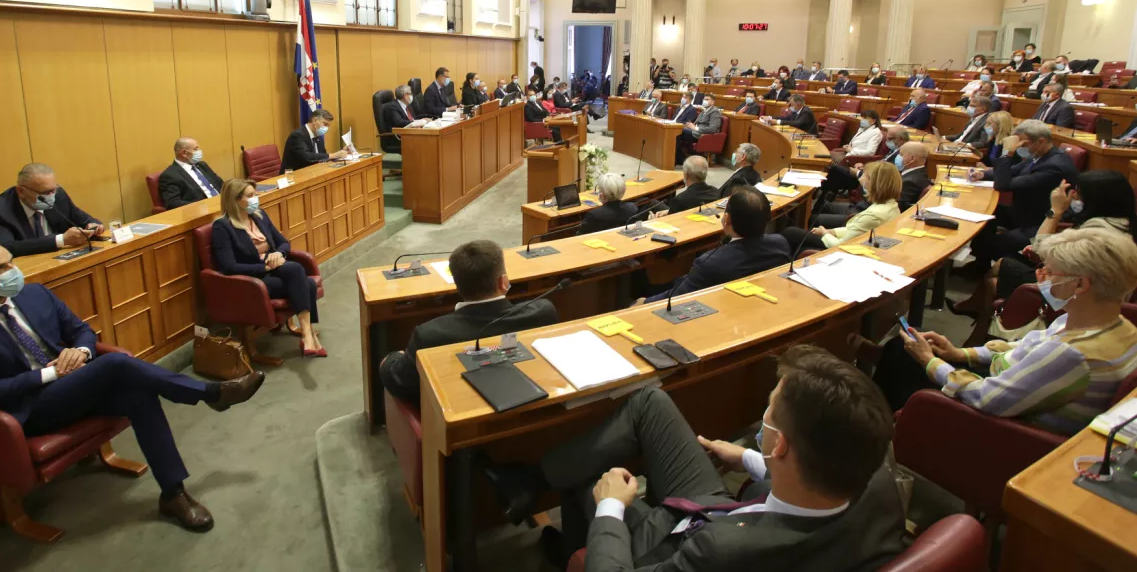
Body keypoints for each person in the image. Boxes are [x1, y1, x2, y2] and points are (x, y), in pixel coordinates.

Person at [0, 240, 266, 532]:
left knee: (139, 394)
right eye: (0, 269)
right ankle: (209, 394)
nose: (12, 272)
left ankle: (173, 494)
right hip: (30, 410)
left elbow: (82, 331)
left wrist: (81, 351)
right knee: (117, 363)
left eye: (10, 263)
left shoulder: (33, 294)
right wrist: (49, 375)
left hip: (74, 387)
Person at [485, 345, 902, 571]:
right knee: (650, 402)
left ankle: (577, 546)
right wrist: (750, 458)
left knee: (598, 476)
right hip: (728, 507)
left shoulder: (720, 553)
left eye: (770, 410)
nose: (764, 414)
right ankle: (531, 485)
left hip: (682, 537)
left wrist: (611, 508)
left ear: (781, 446)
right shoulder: (878, 484)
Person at [873, 229, 1137, 436]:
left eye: (1049, 271)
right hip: (1014, 384)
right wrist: (959, 353)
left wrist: (929, 361)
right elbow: (1022, 348)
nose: (1040, 276)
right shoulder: (1115, 325)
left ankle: (881, 428)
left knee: (901, 357)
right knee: (902, 348)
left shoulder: (1069, 355)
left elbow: (985, 397)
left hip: (999, 429)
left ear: (1079, 285)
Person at [951, 171, 1137, 338]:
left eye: (1078, 193)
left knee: (994, 281)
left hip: (1078, 292)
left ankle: (980, 333)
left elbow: (1041, 250)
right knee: (1001, 265)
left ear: (1096, 199)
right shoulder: (1120, 221)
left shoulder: (1101, 230)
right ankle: (978, 321)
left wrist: (1055, 211)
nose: (1073, 197)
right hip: (1078, 281)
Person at [380, 240, 558, 405]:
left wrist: (391, 358)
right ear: (503, 282)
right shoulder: (542, 311)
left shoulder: (428, 335)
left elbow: (400, 382)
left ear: (457, 285)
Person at [211, 178, 323, 355]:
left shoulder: (259, 216)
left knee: (296, 271)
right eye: (250, 195)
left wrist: (278, 254)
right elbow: (228, 266)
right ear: (235, 200)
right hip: (252, 279)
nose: (256, 198)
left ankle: (307, 336)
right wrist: (264, 267)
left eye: (255, 194)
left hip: (274, 269)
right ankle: (308, 335)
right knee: (305, 283)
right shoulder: (223, 227)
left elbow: (283, 243)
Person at [964, 120, 1080, 270]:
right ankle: (980, 265)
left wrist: (1008, 153)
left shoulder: (1053, 166)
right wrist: (983, 174)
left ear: (1040, 141)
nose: (1019, 147)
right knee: (987, 212)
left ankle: (1020, 269)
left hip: (1041, 221)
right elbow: (1013, 171)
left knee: (996, 243)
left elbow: (1003, 185)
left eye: (1022, 144)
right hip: (1026, 211)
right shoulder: (1042, 155)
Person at [656, 186, 791, 297]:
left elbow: (675, 297)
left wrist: (643, 302)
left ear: (726, 219)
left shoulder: (710, 262)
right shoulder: (780, 244)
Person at [0, 163, 105, 258]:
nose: (51, 196)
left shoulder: (58, 196)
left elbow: (83, 218)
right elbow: (5, 248)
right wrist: (61, 240)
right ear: (21, 191)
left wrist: (93, 225)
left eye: (53, 190)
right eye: (45, 193)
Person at [781, 162, 901, 251]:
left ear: (875, 183)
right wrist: (831, 231)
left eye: (865, 176)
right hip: (852, 241)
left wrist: (825, 233)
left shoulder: (874, 214)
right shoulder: (891, 205)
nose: (861, 179)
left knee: (790, 232)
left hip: (843, 250)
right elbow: (855, 230)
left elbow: (841, 245)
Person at [158, 138, 224, 210]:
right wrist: (202, 206)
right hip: (203, 211)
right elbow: (172, 203)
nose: (199, 151)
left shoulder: (202, 165)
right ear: (184, 153)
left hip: (223, 204)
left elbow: (219, 183)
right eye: (195, 149)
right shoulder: (170, 175)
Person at [282, 108, 351, 171]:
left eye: (328, 126)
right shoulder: (298, 135)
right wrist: (333, 155)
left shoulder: (318, 136)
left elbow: (323, 156)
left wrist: (342, 152)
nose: (327, 128)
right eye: (325, 124)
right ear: (314, 120)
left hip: (312, 172)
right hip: (294, 175)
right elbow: (307, 157)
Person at [677, 94, 722, 164]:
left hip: (702, 134)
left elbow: (713, 129)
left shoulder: (715, 112)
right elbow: (696, 123)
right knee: (676, 131)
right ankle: (679, 158)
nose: (704, 101)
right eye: (704, 99)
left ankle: (680, 159)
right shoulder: (704, 110)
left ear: (713, 102)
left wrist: (696, 128)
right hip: (694, 131)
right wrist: (690, 125)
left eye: (707, 99)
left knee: (679, 132)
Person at [894, 142, 932, 211]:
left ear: (912, 159)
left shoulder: (909, 182)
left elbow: (897, 208)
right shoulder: (921, 174)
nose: (898, 157)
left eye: (901, 154)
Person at [379, 85, 416, 154]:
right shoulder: (392, 107)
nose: (411, 96)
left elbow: (412, 118)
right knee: (422, 142)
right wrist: (415, 123)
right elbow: (398, 122)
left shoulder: (407, 106)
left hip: (407, 134)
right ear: (405, 95)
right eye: (410, 94)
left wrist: (421, 121)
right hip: (396, 138)